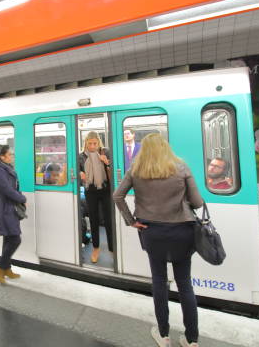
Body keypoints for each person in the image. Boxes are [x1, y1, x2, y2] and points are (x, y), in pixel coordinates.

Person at [113, 133, 203, 347]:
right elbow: (197, 202)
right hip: (182, 231)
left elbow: (117, 195)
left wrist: (131, 221)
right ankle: (192, 340)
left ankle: (163, 336)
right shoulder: (181, 167)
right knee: (184, 284)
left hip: (152, 232)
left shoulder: (136, 169)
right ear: (165, 147)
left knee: (159, 282)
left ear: (144, 149)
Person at [0, 145, 26, 285]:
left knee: (9, 238)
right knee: (15, 239)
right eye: (9, 154)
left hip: (9, 208)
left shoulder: (7, 169)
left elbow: (15, 188)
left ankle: (6, 268)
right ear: (2, 157)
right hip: (3, 209)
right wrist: (22, 199)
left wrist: (20, 197)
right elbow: (8, 191)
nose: (11, 156)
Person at [78, 131, 113, 263]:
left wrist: (107, 163)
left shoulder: (105, 152)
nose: (92, 146)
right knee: (93, 219)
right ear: (86, 143)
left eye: (95, 143)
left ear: (99, 143)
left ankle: (112, 247)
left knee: (109, 219)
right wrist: (80, 172)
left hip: (105, 189)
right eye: (90, 143)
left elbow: (115, 169)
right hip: (90, 190)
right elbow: (76, 170)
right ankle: (96, 248)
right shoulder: (81, 156)